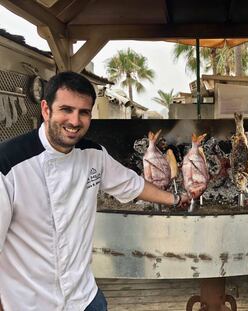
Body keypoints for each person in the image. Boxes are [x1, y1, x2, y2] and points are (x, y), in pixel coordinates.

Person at [0, 71, 190, 311]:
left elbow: (133, 184)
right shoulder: (8, 164)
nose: (74, 121)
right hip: (30, 303)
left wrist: (176, 198)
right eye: (66, 110)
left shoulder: (93, 154)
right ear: (46, 110)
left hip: (85, 298)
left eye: (84, 112)